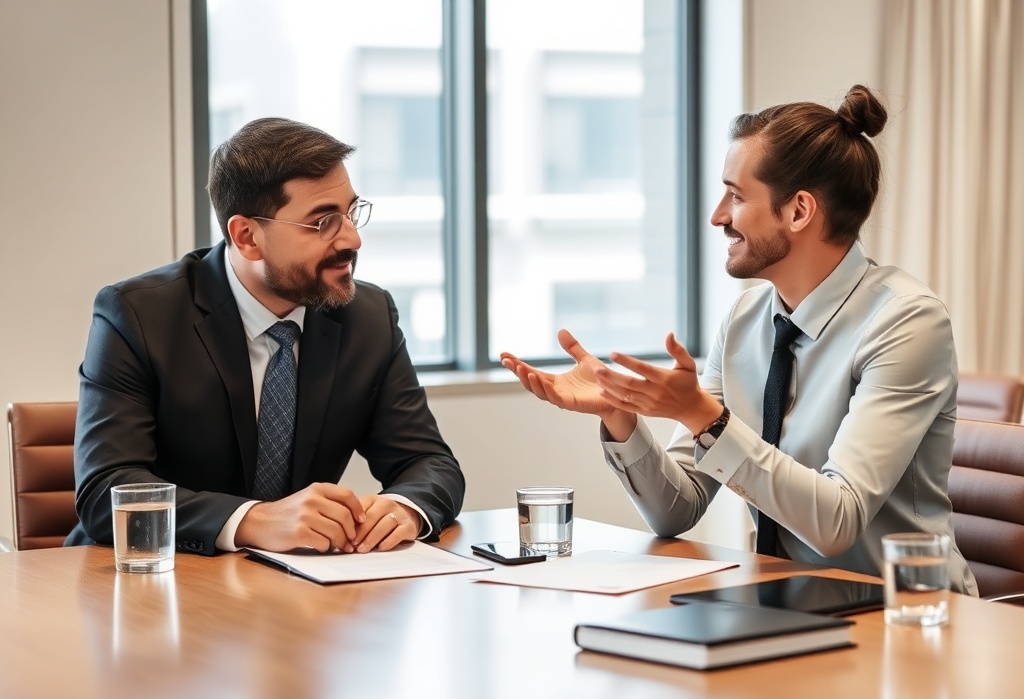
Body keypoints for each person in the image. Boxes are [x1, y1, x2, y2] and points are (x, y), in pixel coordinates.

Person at [500, 85, 978, 595]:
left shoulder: (906, 323)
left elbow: (838, 521)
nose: (718, 216)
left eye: (737, 195)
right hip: (787, 609)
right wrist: (620, 413)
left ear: (798, 211)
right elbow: (675, 510)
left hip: (908, 620)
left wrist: (706, 418)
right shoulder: (745, 319)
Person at [68, 117, 464, 555]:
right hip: (145, 585)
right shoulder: (138, 315)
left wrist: (402, 509)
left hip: (299, 591)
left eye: (351, 213)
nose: (352, 239)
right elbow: (108, 490)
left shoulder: (367, 318)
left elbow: (429, 462)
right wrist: (253, 520)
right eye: (323, 222)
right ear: (247, 237)